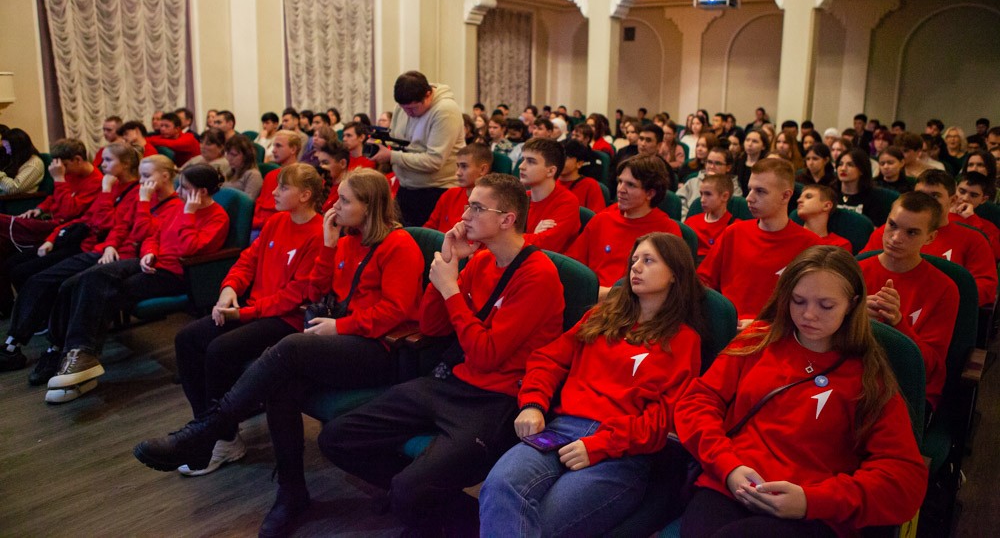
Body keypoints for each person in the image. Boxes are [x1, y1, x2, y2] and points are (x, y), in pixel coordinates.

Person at [135, 167, 425, 533]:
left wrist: (341, 326)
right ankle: (292, 492)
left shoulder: (399, 245)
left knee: (287, 349)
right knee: (280, 386)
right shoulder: (347, 238)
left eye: (345, 200)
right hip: (343, 339)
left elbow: (396, 311)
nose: (335, 205)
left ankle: (206, 431)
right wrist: (329, 244)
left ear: (370, 206)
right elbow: (320, 289)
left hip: (378, 349)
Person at [318, 173, 565, 534]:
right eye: (468, 204)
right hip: (453, 384)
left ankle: (439, 510)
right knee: (336, 438)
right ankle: (429, 504)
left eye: (477, 208)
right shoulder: (480, 261)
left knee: (408, 490)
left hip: (499, 398)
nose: (465, 215)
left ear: (507, 219)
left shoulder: (538, 274)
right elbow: (432, 327)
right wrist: (449, 265)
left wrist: (450, 289)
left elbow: (487, 355)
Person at [675, 247, 927, 538]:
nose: (808, 315)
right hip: (733, 481)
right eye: (798, 301)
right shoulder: (758, 338)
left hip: (811, 510)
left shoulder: (869, 375)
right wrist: (728, 466)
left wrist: (811, 501)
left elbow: (903, 477)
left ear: (851, 304)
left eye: (826, 305)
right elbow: (697, 402)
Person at [479, 233, 706, 536]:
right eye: (634, 260)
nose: (635, 268)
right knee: (499, 487)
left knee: (540, 526)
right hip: (559, 430)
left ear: (675, 275)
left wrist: (600, 445)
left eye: (648, 260)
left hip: (618, 452)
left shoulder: (683, 340)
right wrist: (533, 403)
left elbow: (661, 419)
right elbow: (548, 359)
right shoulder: (602, 315)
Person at [170, 164, 325, 476]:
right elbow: (248, 260)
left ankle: (224, 439)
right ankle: (205, 428)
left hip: (288, 321)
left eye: (282, 188)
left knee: (220, 349)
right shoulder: (277, 221)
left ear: (305, 195)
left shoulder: (318, 233)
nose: (273, 193)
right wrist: (229, 289)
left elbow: (294, 297)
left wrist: (242, 313)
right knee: (187, 339)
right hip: (256, 308)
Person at [42, 164, 230, 402]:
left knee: (103, 291)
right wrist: (149, 252)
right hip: (152, 263)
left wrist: (189, 214)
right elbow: (153, 235)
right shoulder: (179, 207)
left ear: (201, 192)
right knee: (92, 277)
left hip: (176, 275)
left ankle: (81, 356)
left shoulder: (216, 217)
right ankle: (76, 353)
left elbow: (188, 249)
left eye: (184, 187)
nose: (178, 190)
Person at [0, 143, 142, 375]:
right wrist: (54, 237)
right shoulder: (114, 186)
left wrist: (105, 193)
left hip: (105, 252)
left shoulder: (126, 191)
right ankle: (13, 344)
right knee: (38, 279)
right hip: (90, 246)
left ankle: (53, 349)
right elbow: (87, 219)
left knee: (64, 286)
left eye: (107, 161)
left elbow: (107, 224)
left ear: (125, 164)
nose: (101, 165)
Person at [859, 192, 959, 410]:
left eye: (911, 232)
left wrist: (897, 323)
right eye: (892, 225)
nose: (895, 238)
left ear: (930, 238)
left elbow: (929, 366)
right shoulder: (856, 271)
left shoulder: (945, 289)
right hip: (855, 378)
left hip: (906, 389)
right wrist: (854, 316)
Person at [698, 158, 820, 326]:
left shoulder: (810, 245)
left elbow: (813, 307)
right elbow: (703, 282)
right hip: (728, 328)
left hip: (777, 334)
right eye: (750, 189)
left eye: (761, 191)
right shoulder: (733, 233)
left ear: (785, 196)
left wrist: (762, 326)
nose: (749, 198)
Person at [862, 170, 997, 307]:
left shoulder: (973, 239)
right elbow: (861, 272)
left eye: (934, 196)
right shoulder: (887, 233)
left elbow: (985, 287)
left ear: (953, 200)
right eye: (920, 195)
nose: (925, 201)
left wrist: (938, 298)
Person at [567, 156, 682, 298]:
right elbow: (573, 269)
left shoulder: (667, 232)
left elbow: (667, 288)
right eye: (620, 182)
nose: (621, 189)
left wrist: (602, 294)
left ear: (650, 193)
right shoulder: (602, 220)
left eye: (631, 185)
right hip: (592, 305)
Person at [369, 71, 464, 227]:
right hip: (406, 187)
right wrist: (381, 142)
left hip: (436, 190)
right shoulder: (404, 106)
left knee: (423, 243)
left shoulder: (445, 110)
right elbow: (396, 140)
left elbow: (434, 161)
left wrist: (392, 156)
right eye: (404, 108)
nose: (408, 113)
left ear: (428, 95)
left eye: (412, 109)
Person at [520, 138, 580, 254]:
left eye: (531, 161)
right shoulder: (520, 198)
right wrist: (533, 236)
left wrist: (514, 237)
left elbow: (545, 246)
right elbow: (497, 237)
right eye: (523, 160)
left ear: (551, 171)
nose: (521, 166)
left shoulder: (567, 202)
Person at [424, 143, 493, 233]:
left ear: (483, 170)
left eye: (464, 166)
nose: (458, 173)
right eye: (458, 166)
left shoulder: (491, 203)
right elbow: (429, 228)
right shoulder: (450, 194)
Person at [251, 130, 302, 235]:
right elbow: (260, 204)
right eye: (273, 146)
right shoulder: (271, 175)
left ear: (293, 149)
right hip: (260, 225)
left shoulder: (302, 177)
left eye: (278, 146)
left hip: (282, 228)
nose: (273, 151)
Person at [678, 146, 742, 219]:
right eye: (709, 162)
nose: (712, 166)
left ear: (728, 168)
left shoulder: (735, 189)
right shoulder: (692, 182)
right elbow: (679, 203)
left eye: (717, 163)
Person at [834, 147, 890, 226]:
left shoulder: (874, 198)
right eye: (840, 164)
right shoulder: (830, 194)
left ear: (861, 170)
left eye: (850, 165)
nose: (843, 169)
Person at [684, 173, 735, 260]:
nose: (702, 200)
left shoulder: (734, 227)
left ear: (725, 196)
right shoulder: (691, 222)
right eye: (701, 194)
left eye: (708, 194)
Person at [952, 172, 1000, 259]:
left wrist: (972, 219)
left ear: (983, 200)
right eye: (961, 191)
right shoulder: (937, 215)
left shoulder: (988, 227)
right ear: (954, 189)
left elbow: (995, 254)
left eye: (973, 195)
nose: (965, 198)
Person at [796, 184, 852, 251]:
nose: (799, 200)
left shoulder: (839, 245)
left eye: (808, 197)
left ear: (827, 206)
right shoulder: (791, 238)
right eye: (800, 197)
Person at [559, 139, 606, 213]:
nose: (558, 161)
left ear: (579, 163)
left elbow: (596, 218)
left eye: (564, 158)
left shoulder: (590, 185)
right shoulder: (548, 182)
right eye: (556, 156)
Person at [0, 128, 45, 195]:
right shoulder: (19, 161)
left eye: (8, 147)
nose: (7, 152)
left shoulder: (34, 164)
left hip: (20, 202)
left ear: (16, 147)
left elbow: (13, 188)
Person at [222, 133, 263, 200]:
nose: (229, 158)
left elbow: (248, 203)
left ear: (246, 156)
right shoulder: (231, 171)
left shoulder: (253, 175)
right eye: (228, 154)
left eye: (234, 155)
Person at [316, 142, 351, 213]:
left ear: (342, 163)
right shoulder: (321, 184)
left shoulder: (350, 191)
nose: (321, 167)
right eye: (320, 163)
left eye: (325, 163)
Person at [735, 129, 769, 195]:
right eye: (747, 140)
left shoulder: (765, 165)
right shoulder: (738, 161)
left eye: (755, 141)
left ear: (763, 146)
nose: (750, 144)